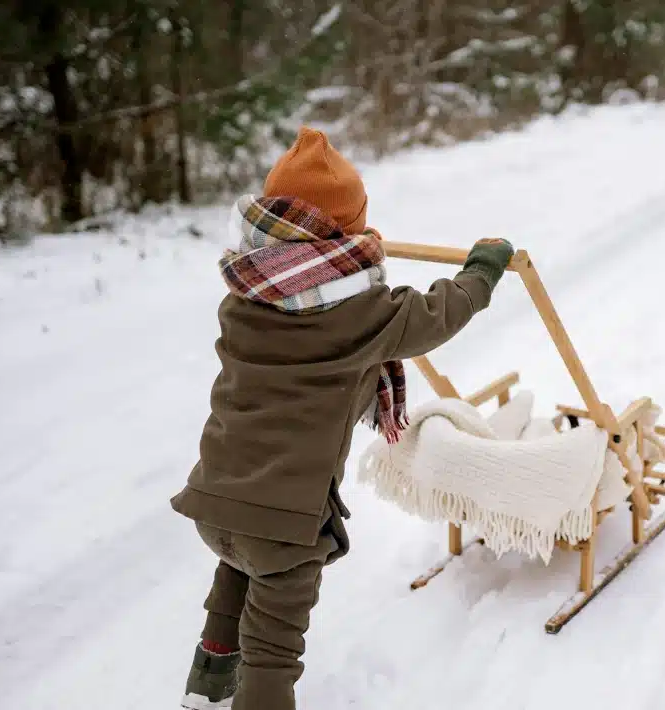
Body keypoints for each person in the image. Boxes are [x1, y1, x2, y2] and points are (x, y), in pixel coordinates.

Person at [169, 126, 514, 709]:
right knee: (274, 647)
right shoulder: (364, 313)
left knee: (233, 579)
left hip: (216, 499)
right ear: (342, 232)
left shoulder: (245, 294)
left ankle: (205, 687)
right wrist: (481, 274)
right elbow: (437, 313)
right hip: (287, 521)